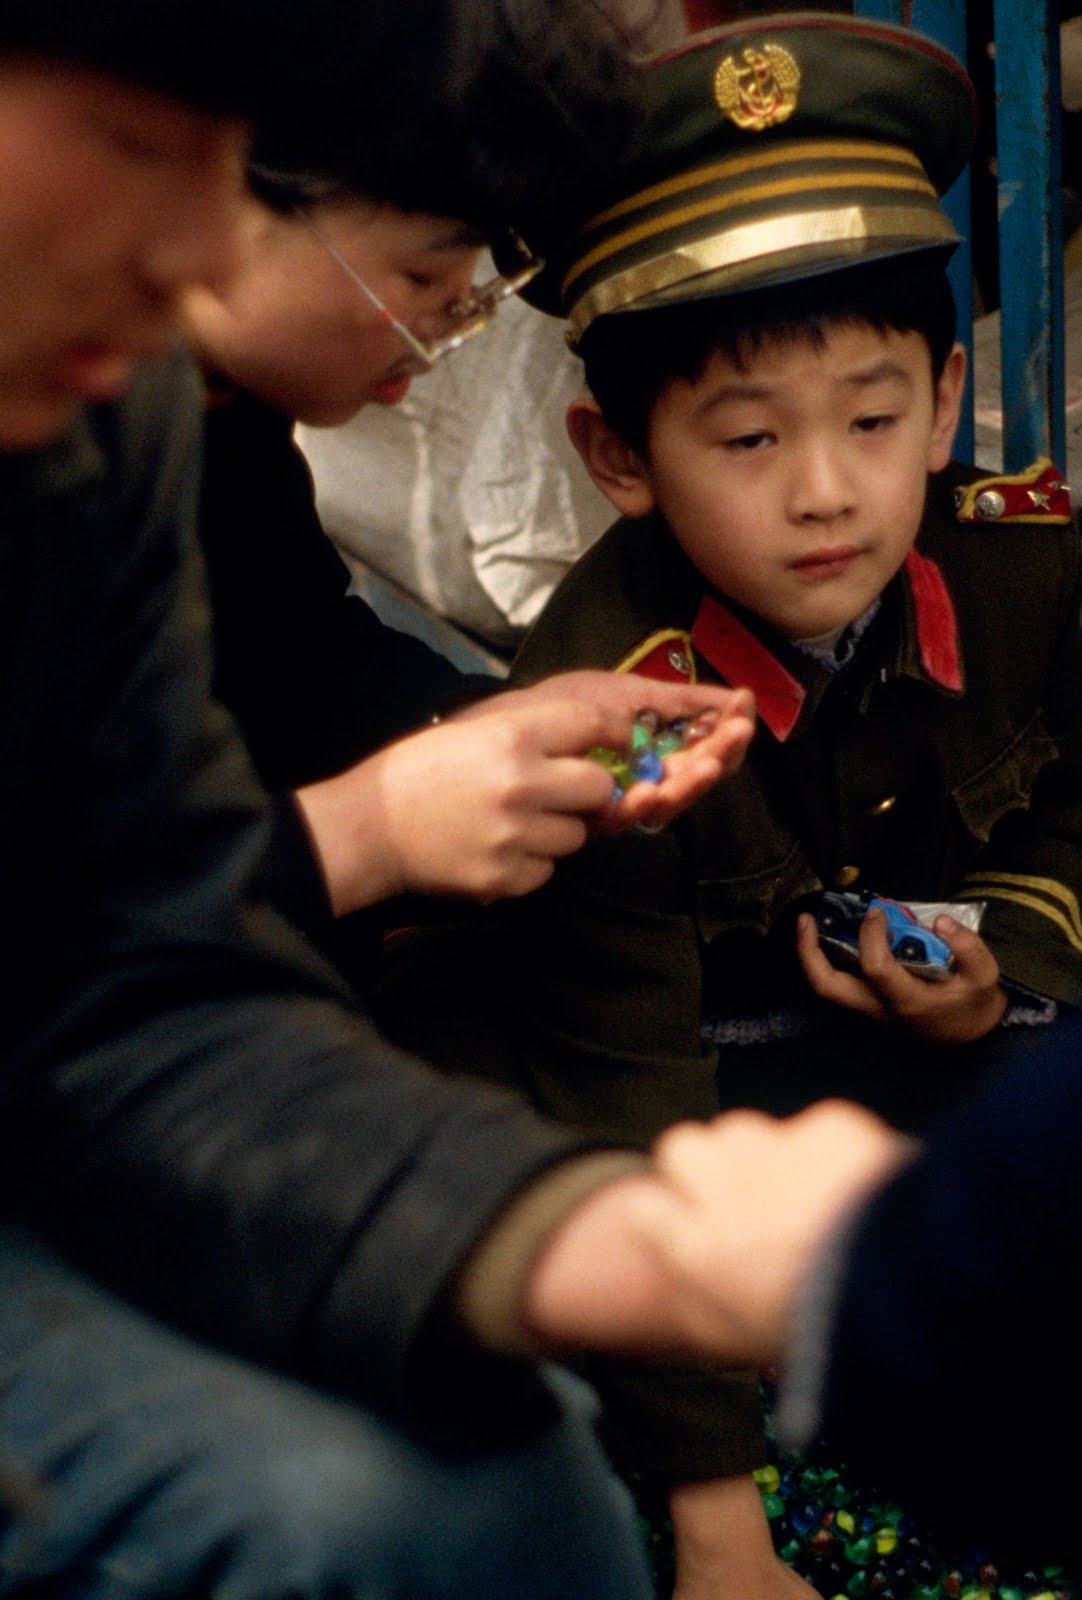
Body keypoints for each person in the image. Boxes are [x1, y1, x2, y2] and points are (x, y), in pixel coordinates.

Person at [0, 5, 795, 1596]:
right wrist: (362, 833)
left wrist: (592, 1243)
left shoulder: (116, 418)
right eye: (145, 149)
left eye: (228, 162)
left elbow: (129, 978)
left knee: (499, 1483)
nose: (196, 249)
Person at [368, 15, 1082, 1599]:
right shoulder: (603, 709)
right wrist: (712, 1509)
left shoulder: (1031, 563)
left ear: (950, 392)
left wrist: (1004, 966)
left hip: (927, 1074)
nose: (823, 489)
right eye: (747, 437)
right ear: (618, 456)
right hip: (683, 1104)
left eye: (874, 417)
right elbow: (618, 1089)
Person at [183, 154, 755, 967]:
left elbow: (290, 652)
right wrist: (369, 834)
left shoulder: (217, 419)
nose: (448, 331)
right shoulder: (72, 415)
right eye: (422, 277)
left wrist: (486, 723)